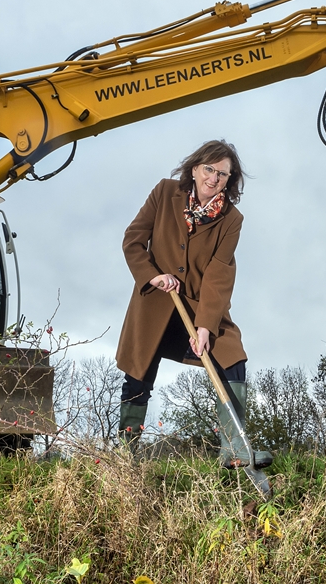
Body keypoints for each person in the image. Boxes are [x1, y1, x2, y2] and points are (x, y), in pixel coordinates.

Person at [114, 139, 271, 469]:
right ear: (195, 169)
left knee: (232, 358)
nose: (214, 178)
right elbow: (133, 240)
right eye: (209, 169)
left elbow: (219, 272)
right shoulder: (164, 192)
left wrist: (205, 326)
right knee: (138, 376)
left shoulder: (231, 219)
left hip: (200, 307)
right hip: (155, 304)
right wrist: (153, 276)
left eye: (222, 174)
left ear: (230, 180)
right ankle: (125, 455)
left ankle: (235, 450)